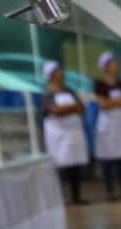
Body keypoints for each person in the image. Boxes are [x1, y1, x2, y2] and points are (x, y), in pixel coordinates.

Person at [41, 61, 88, 205]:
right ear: (51, 76)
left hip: (73, 133)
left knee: (75, 166)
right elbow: (54, 111)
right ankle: (59, 198)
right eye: (59, 72)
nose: (62, 74)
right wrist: (71, 108)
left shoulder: (69, 91)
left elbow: (81, 107)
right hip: (57, 135)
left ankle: (76, 197)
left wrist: (66, 109)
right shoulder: (47, 93)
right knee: (60, 167)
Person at [92, 51, 121, 201]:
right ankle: (110, 191)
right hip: (107, 125)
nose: (116, 66)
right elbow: (103, 104)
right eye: (113, 64)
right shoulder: (99, 84)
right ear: (105, 67)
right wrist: (119, 101)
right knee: (107, 160)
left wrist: (112, 102)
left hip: (119, 124)